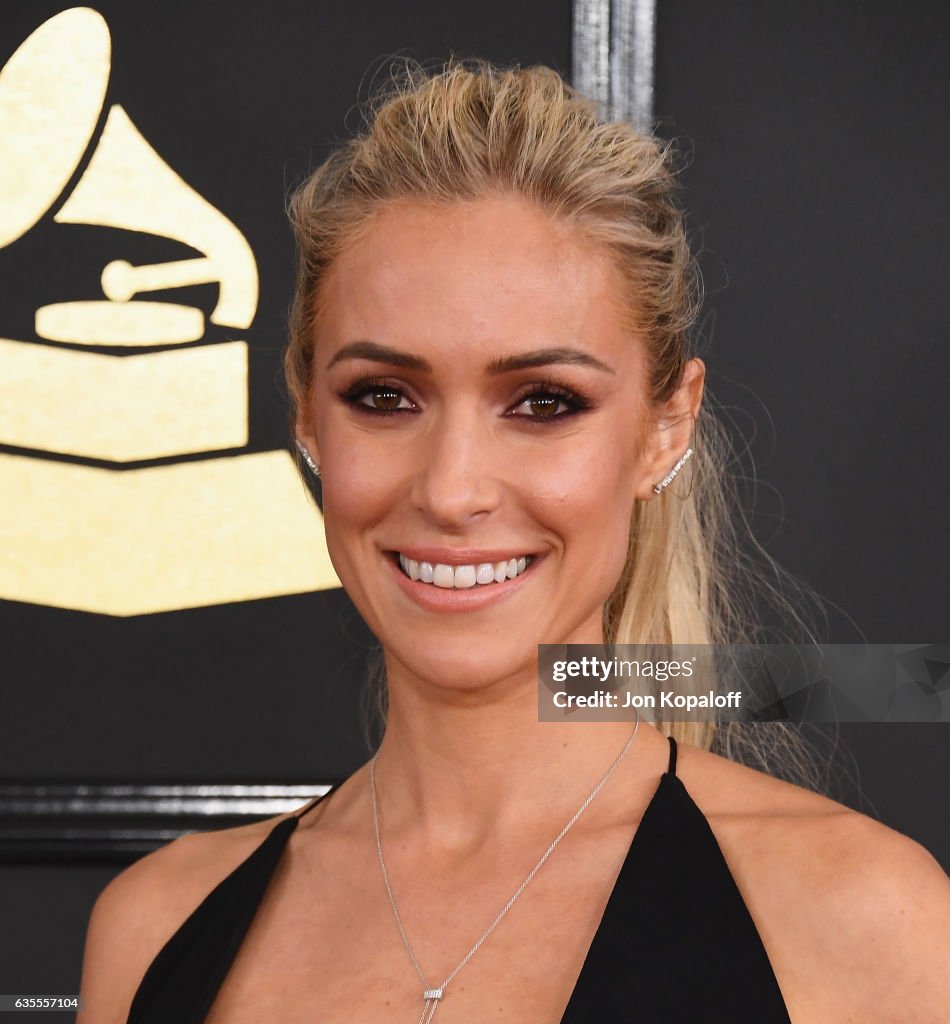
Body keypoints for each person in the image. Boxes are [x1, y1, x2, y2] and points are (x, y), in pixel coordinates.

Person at [77, 59, 949, 1023]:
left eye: (543, 403)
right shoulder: (157, 927)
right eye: (384, 397)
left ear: (667, 426)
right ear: (308, 419)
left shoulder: (864, 920)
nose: (452, 490)